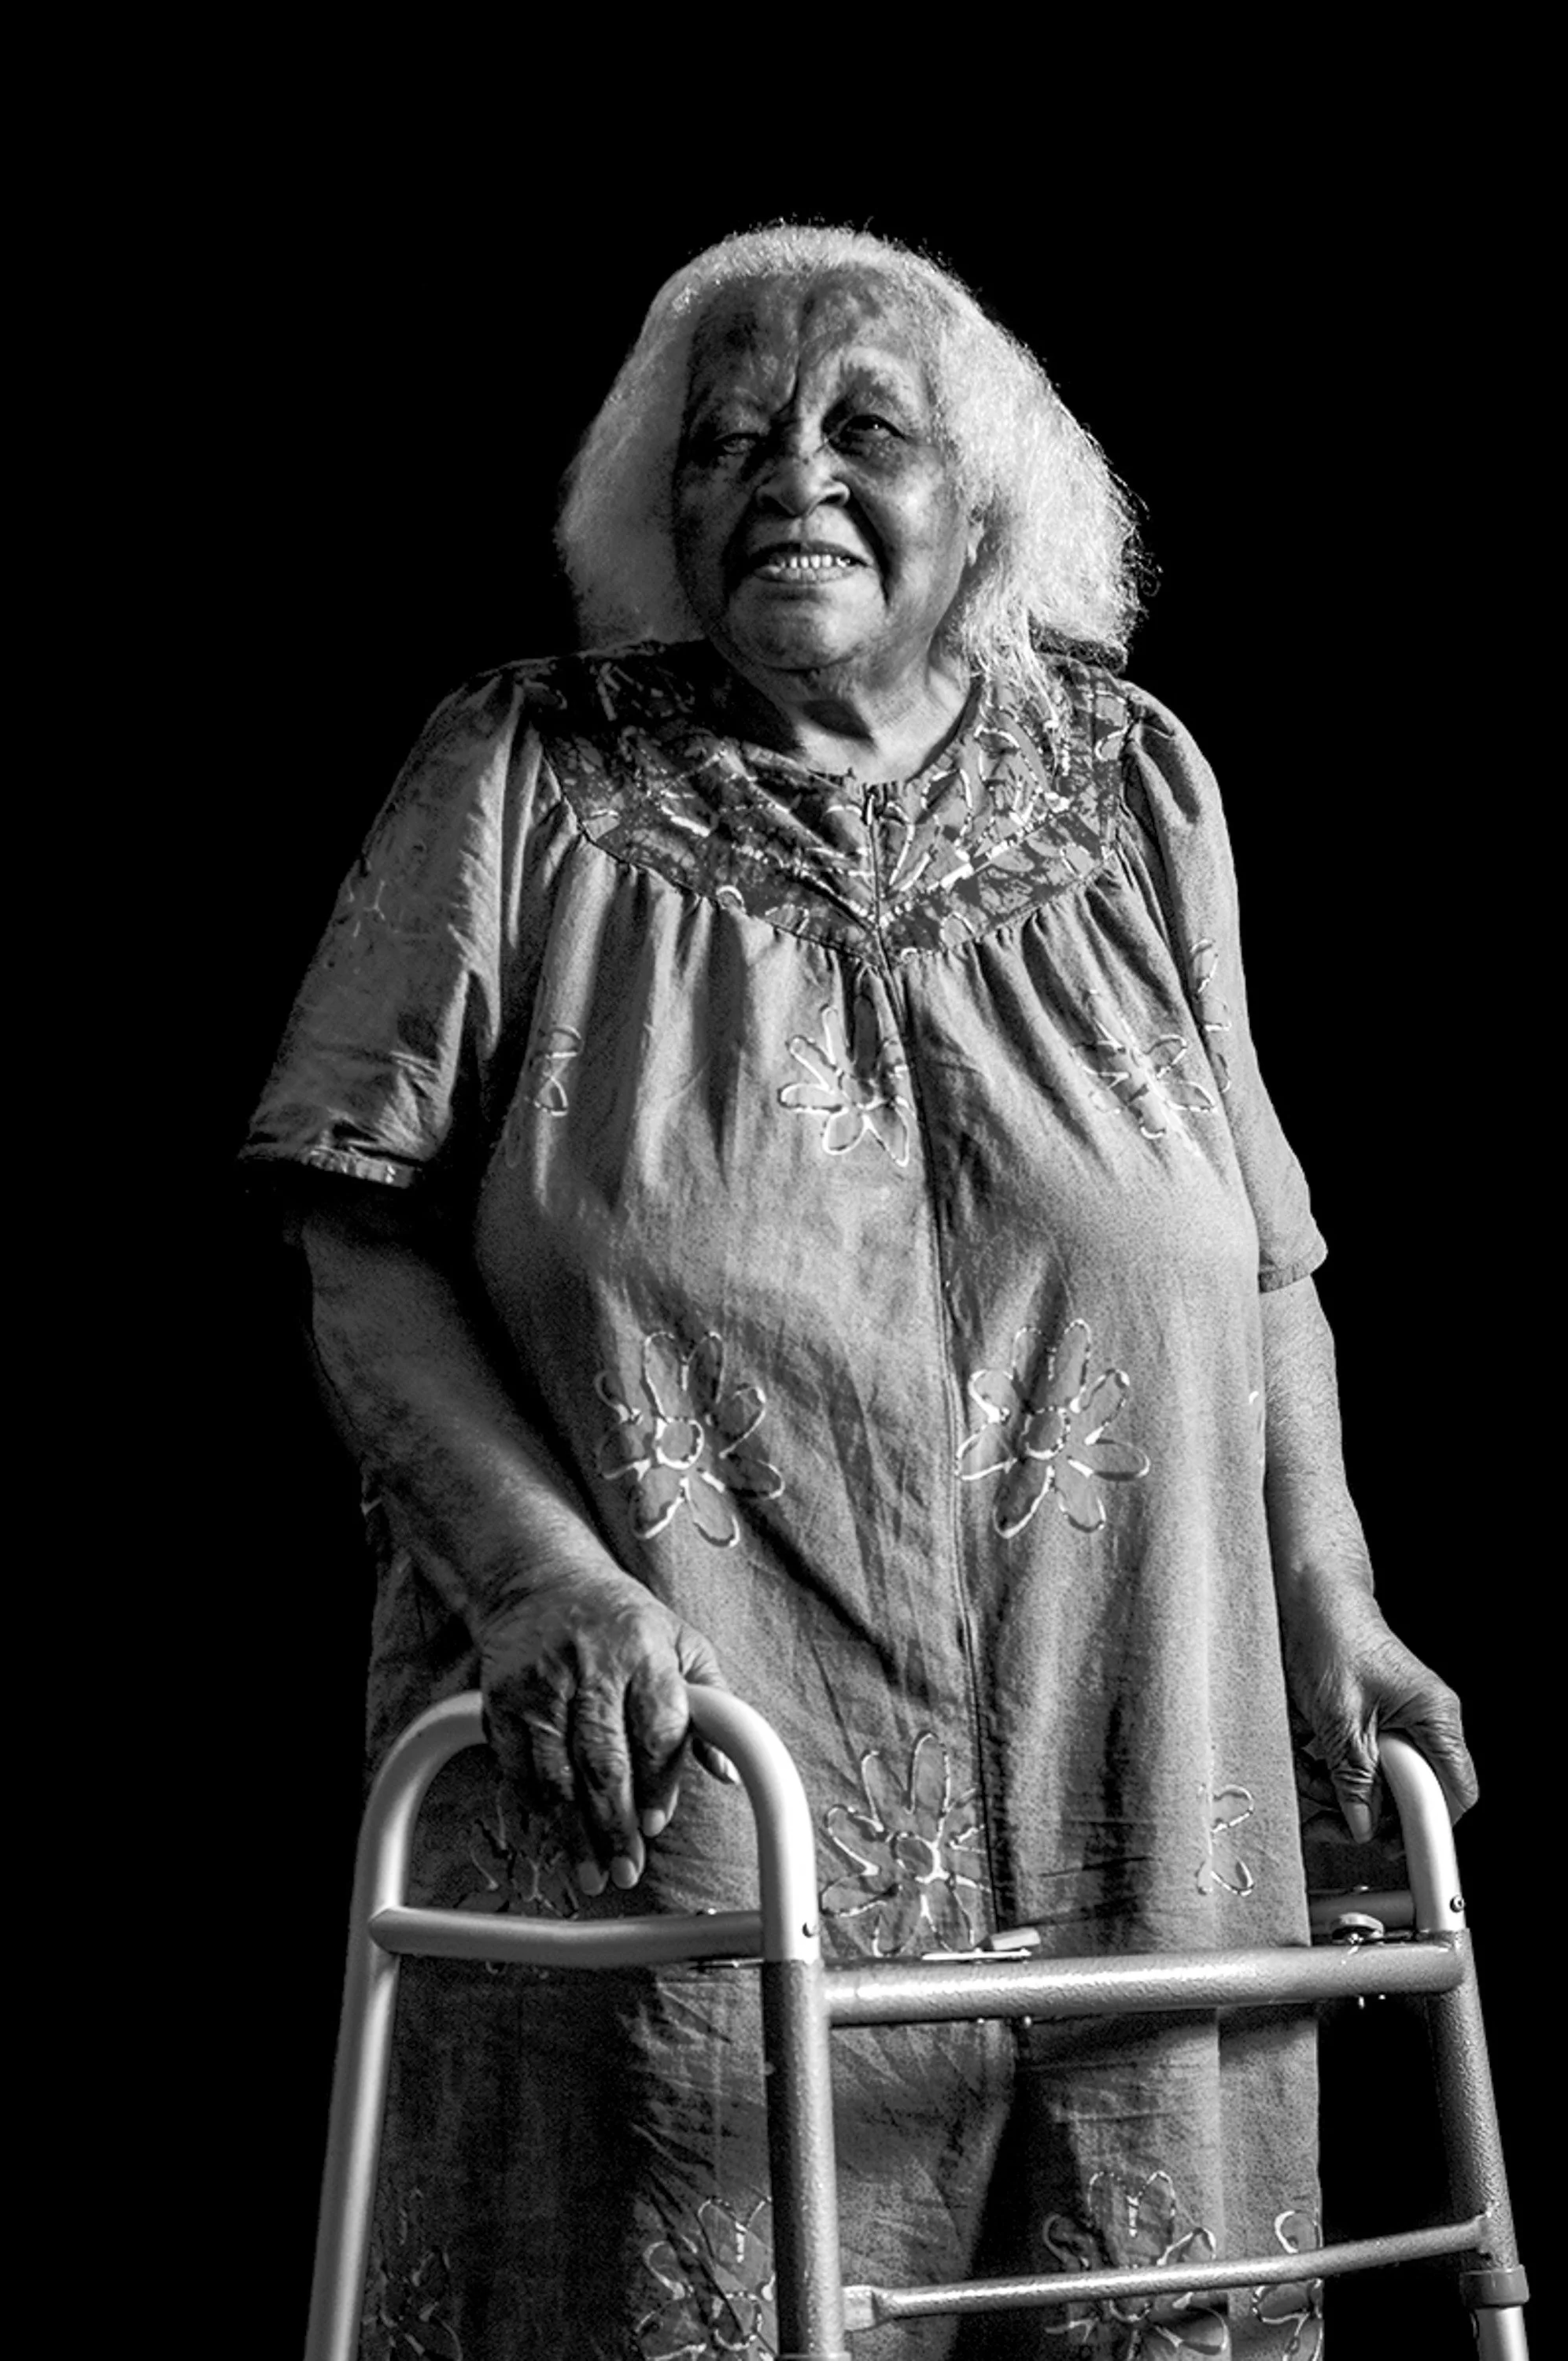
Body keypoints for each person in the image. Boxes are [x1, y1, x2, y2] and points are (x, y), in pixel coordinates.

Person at [246, 224, 1477, 2359]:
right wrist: (534, 1583)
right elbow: (350, 1223)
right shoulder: (530, 772)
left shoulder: (1132, 785)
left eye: (860, 430)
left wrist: (1332, 1602)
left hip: (1137, 1758)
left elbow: (1262, 1259)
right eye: (722, 444)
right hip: (709, 1767)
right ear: (657, 508)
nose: (784, 476)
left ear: (986, 497)